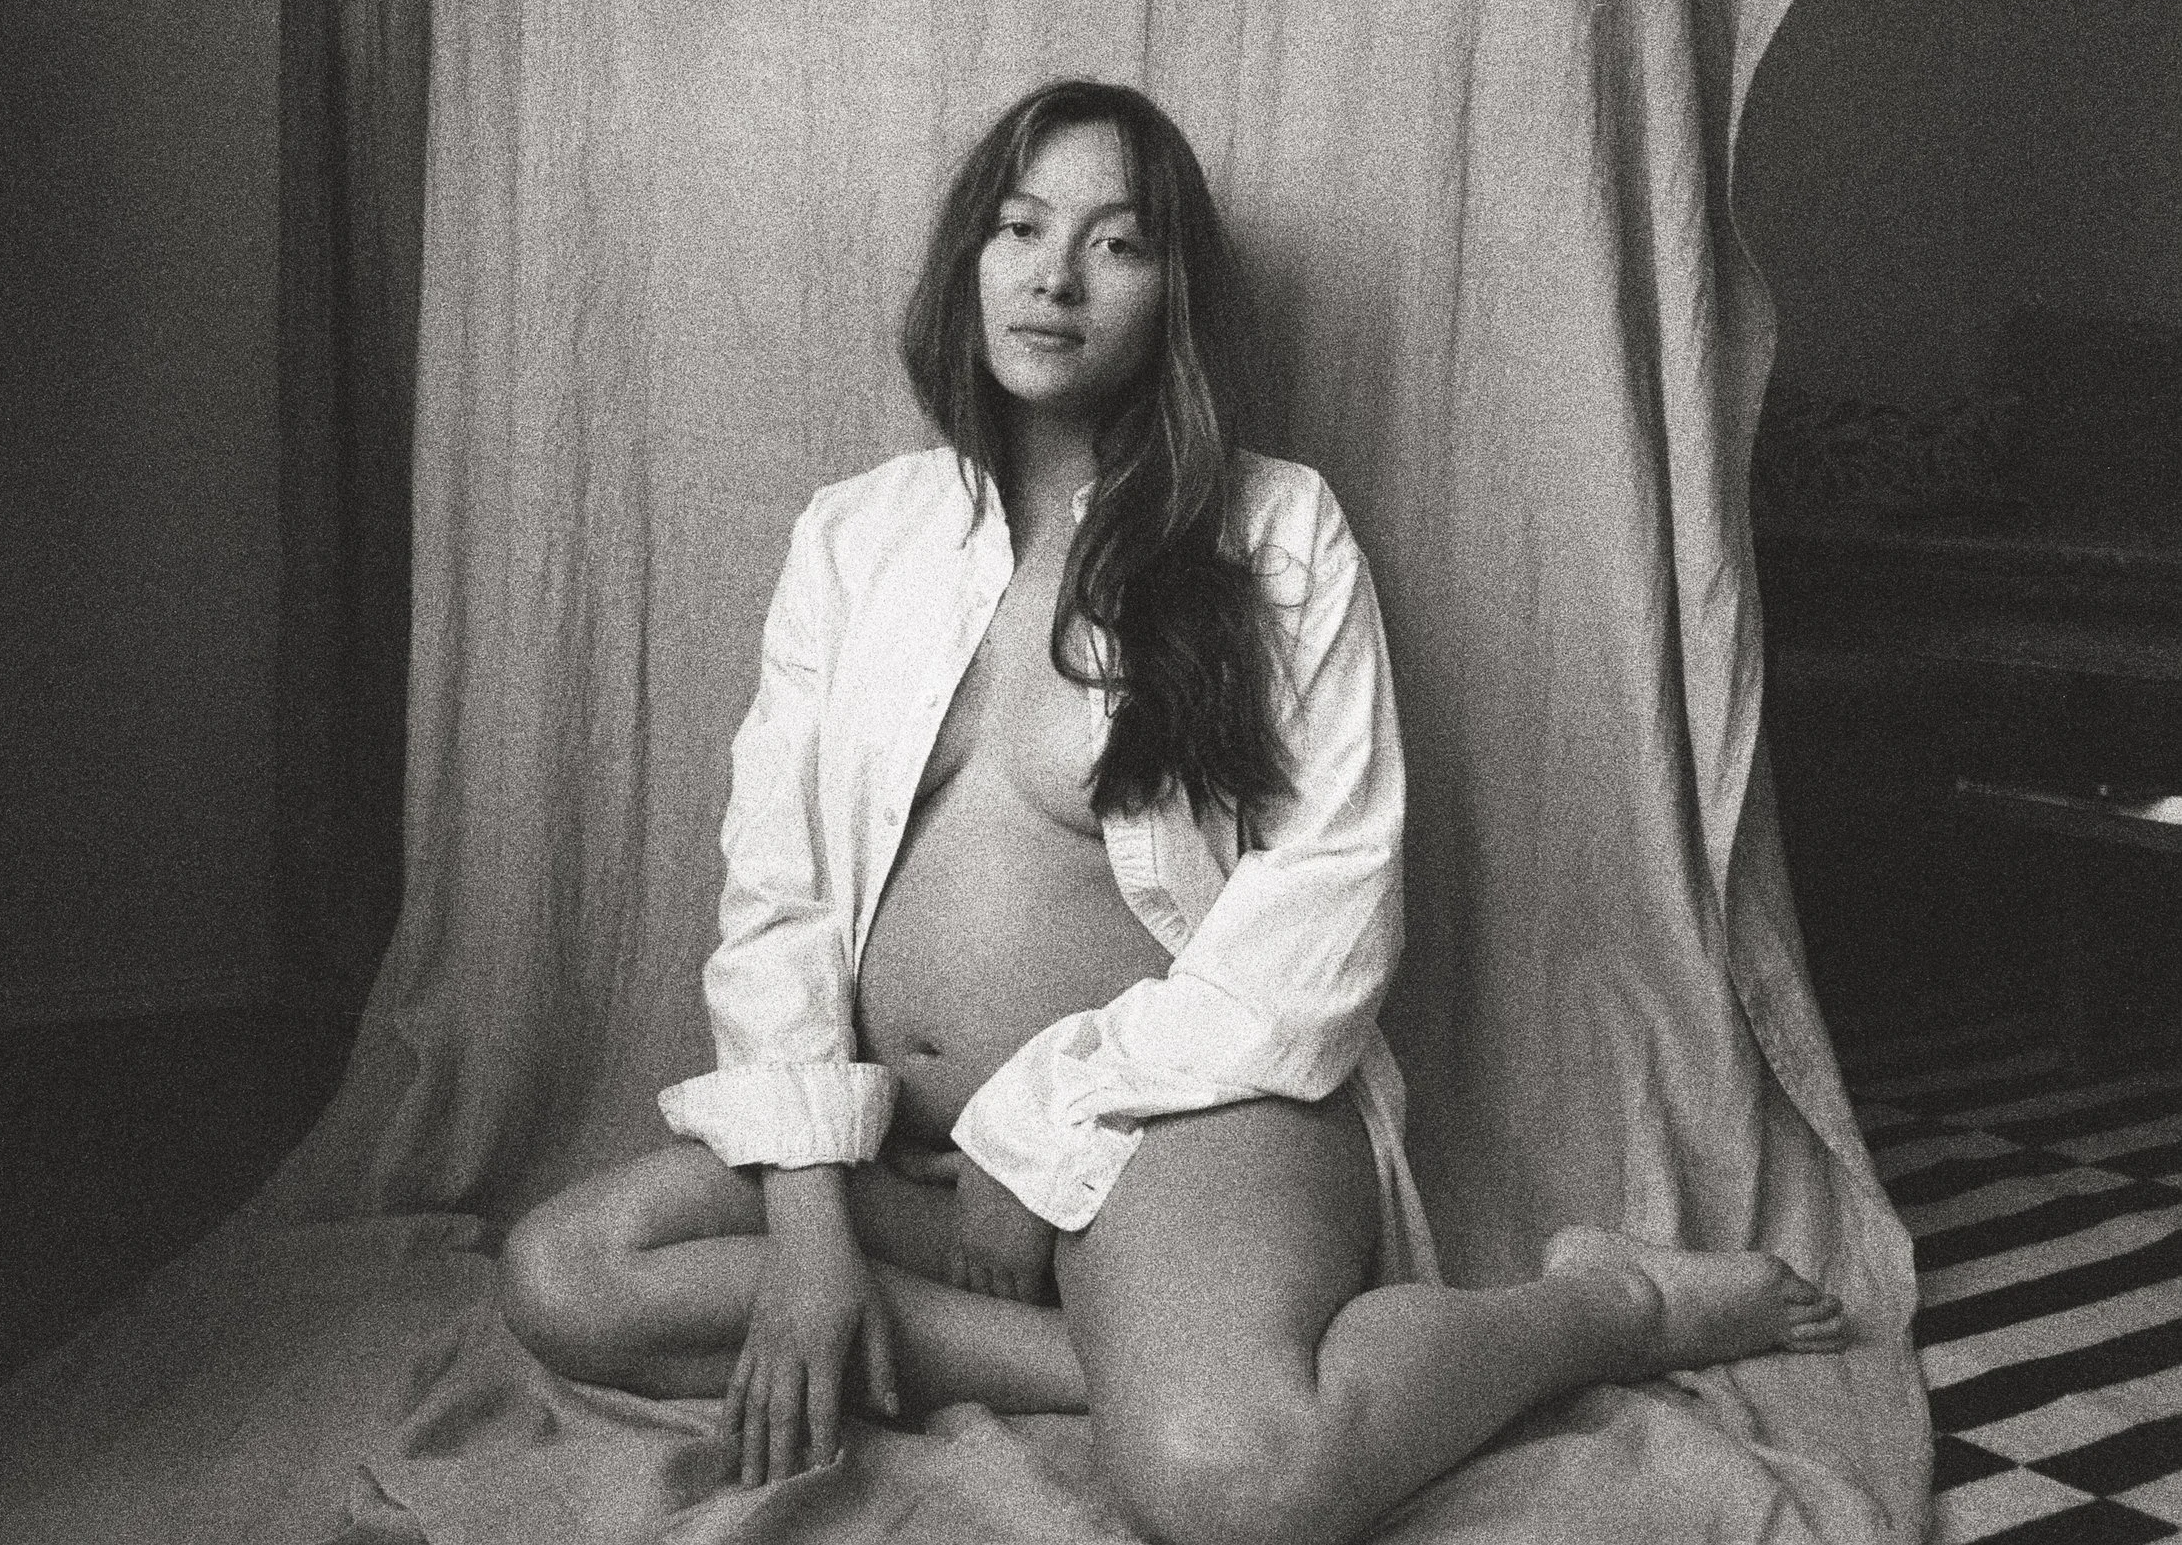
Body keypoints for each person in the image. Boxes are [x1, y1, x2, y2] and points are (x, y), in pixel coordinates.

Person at [498, 78, 1849, 1545]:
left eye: (1115, 243)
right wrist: (810, 1236)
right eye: (1018, 229)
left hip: (1181, 1122)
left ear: (1174, 290)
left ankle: (1601, 1303)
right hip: (905, 1150)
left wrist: (1046, 1128)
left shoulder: (1278, 531)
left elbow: (1326, 902)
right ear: (970, 261)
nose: (1054, 275)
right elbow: (778, 895)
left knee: (1238, 1483)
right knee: (572, 1271)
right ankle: (1111, 1360)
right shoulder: (857, 536)